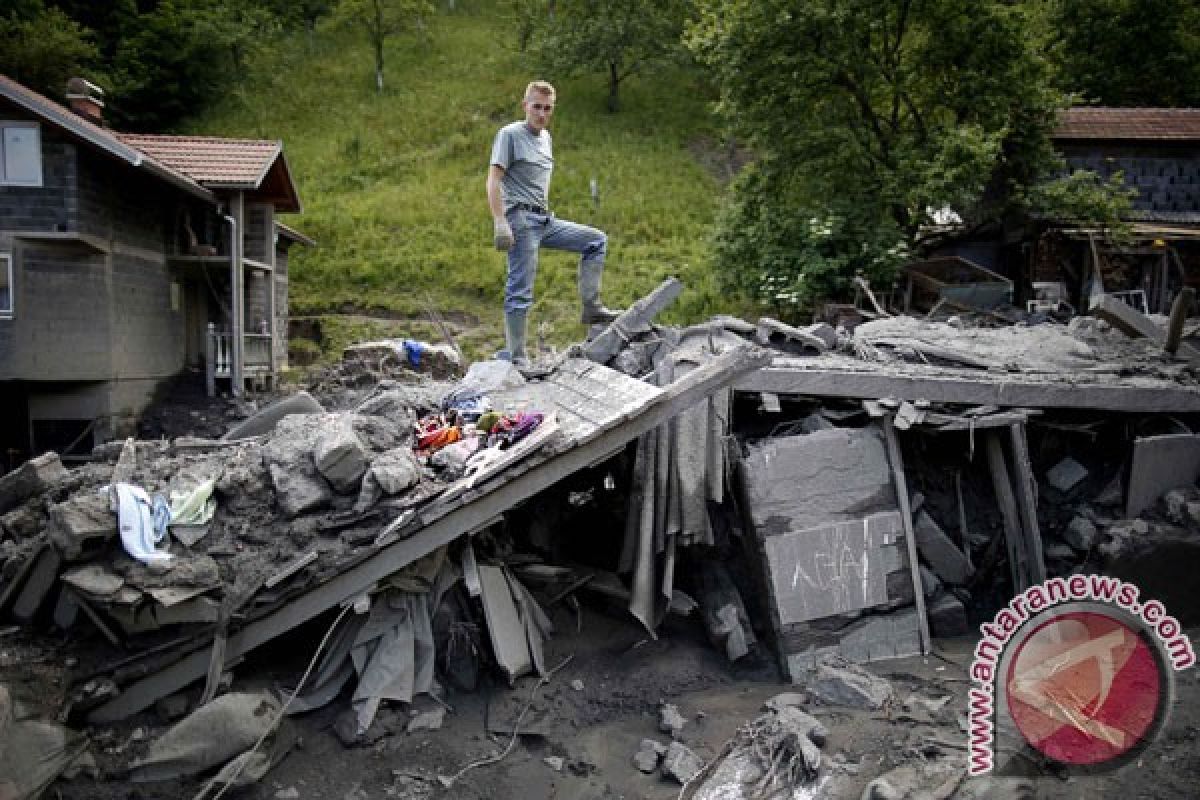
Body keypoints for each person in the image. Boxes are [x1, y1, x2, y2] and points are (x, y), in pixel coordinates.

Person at [486, 80, 620, 363]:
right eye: (537, 107)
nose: (542, 114)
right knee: (520, 287)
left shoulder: (545, 139)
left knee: (596, 240)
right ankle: (516, 355)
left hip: (544, 219)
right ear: (525, 106)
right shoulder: (509, 135)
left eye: (548, 108)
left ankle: (592, 308)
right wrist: (500, 221)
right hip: (520, 219)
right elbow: (493, 180)